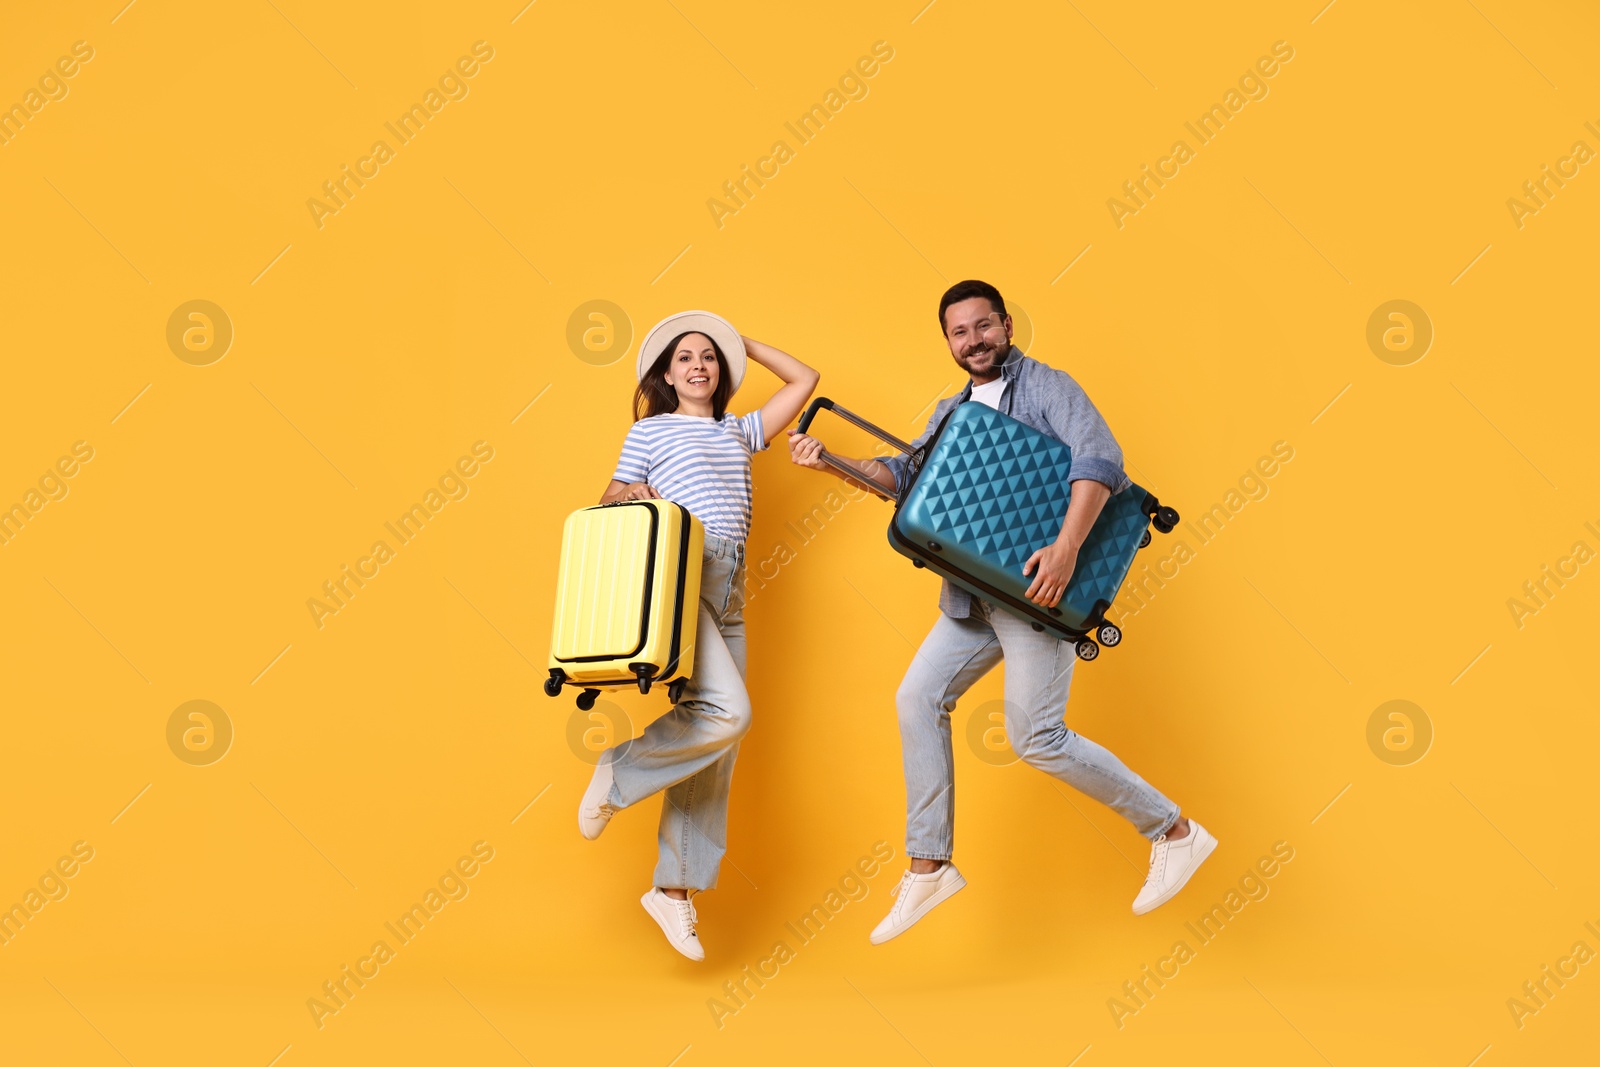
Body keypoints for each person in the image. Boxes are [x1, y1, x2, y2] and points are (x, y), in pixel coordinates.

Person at [787, 280, 1214, 944]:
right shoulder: (950, 408)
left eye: (983, 326)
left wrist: (1067, 548)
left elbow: (1101, 458)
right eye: (959, 332)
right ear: (949, 342)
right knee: (916, 697)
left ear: (1007, 325)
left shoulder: (1048, 387)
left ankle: (1174, 830)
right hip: (973, 595)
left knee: (1036, 738)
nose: (973, 341)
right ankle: (929, 865)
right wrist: (832, 463)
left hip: (1038, 591)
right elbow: (905, 481)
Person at [579, 310, 819, 961]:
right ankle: (619, 770)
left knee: (715, 741)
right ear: (665, 373)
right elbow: (608, 500)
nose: (698, 365)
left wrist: (745, 342)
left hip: (732, 584)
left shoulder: (738, 430)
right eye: (685, 357)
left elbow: (805, 379)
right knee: (729, 714)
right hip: (681, 571)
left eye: (709, 357)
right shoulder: (651, 428)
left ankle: (674, 889)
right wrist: (631, 489)